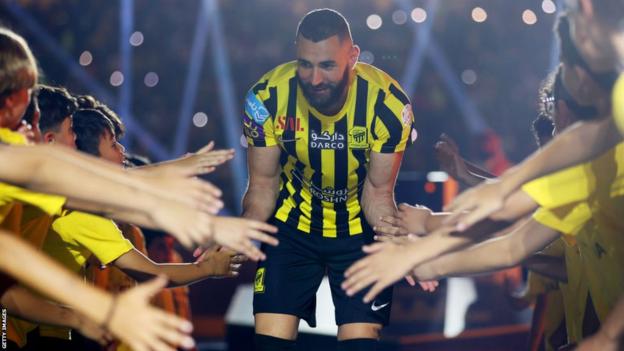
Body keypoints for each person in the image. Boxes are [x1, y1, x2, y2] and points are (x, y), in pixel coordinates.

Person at [241, 8, 416, 351]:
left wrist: (397, 242)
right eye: (305, 64)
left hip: (357, 235)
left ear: (353, 56)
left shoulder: (389, 106)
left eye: (327, 66)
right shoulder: (264, 99)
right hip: (291, 229)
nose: (315, 78)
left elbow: (378, 194)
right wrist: (237, 232)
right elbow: (262, 187)